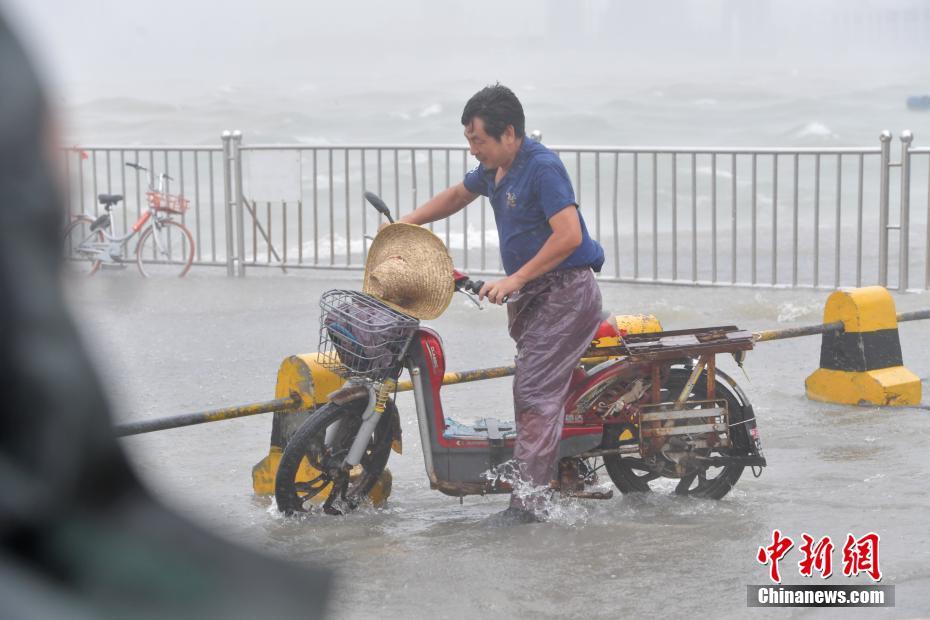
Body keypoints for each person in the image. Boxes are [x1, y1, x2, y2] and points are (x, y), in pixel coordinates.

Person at [395, 84, 605, 523]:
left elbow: (569, 236)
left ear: (509, 133)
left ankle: (530, 504)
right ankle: (556, 468)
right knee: (533, 388)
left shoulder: (542, 167)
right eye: (469, 140)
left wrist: (516, 278)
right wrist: (408, 223)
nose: (473, 150)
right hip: (534, 295)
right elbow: (458, 194)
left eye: (478, 140)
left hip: (564, 292)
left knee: (533, 391)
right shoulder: (495, 169)